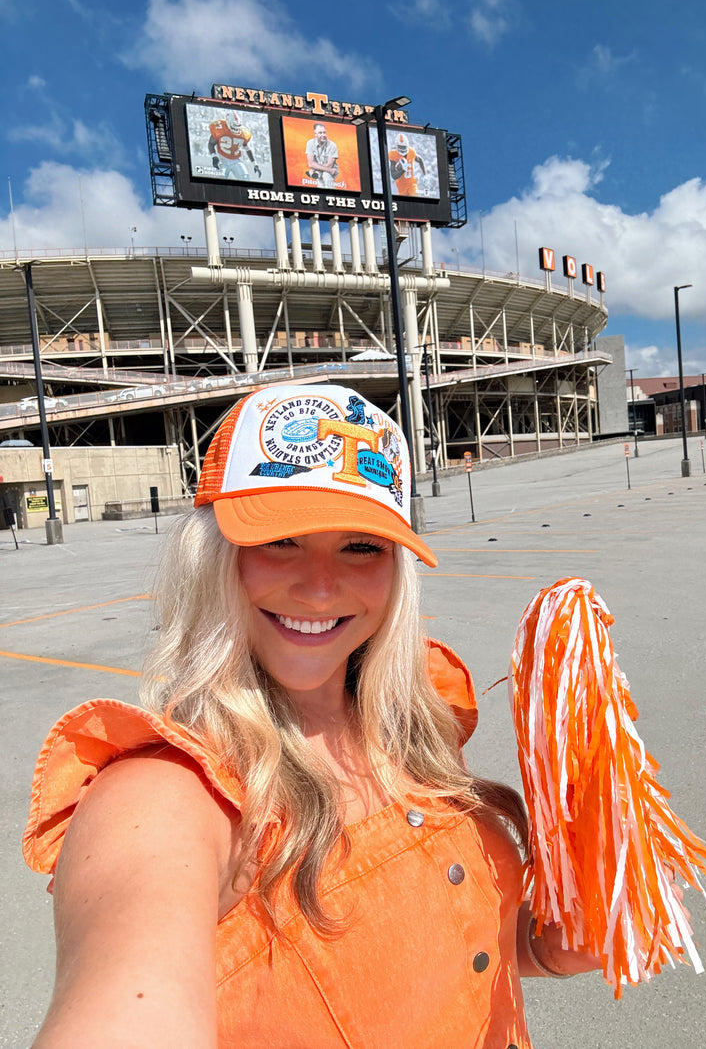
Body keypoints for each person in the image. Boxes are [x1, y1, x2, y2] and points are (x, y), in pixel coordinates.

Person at [23, 383, 600, 1048]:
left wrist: (550, 942)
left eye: (361, 546)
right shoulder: (168, 798)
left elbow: (446, 941)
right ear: (211, 556)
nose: (321, 584)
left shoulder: (415, 727)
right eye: (282, 539)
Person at [207, 109, 262, 181]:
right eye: (234, 126)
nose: (236, 129)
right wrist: (214, 157)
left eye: (238, 127)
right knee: (219, 180)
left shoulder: (244, 133)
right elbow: (211, 144)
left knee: (246, 179)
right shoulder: (220, 129)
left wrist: (255, 163)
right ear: (228, 123)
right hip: (222, 159)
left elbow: (247, 149)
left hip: (236, 160)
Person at [388, 132, 426, 196]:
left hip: (411, 184)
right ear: (396, 146)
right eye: (400, 147)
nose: (402, 149)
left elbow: (420, 160)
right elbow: (393, 176)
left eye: (404, 147)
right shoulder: (393, 155)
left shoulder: (411, 152)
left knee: (415, 197)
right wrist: (403, 170)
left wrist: (425, 174)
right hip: (401, 187)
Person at [305, 122, 339, 187]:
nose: (323, 135)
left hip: (330, 171)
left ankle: (331, 195)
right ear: (315, 134)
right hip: (322, 170)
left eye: (324, 132)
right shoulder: (310, 143)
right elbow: (311, 163)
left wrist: (314, 168)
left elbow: (329, 165)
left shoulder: (332, 145)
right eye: (320, 133)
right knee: (320, 184)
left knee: (326, 175)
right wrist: (329, 170)